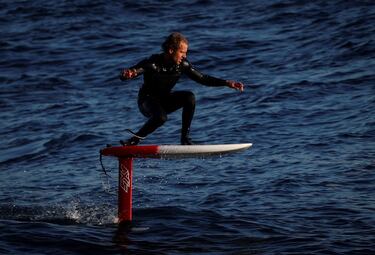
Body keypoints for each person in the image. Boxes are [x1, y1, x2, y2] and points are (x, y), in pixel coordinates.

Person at [119, 32, 244, 146]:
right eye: (182, 52)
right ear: (171, 50)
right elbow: (134, 71)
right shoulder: (153, 63)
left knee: (189, 97)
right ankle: (133, 140)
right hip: (146, 102)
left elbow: (203, 79)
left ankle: (185, 139)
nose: (184, 56)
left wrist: (227, 83)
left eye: (186, 53)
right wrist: (128, 74)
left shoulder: (182, 65)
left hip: (164, 100)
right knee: (161, 118)